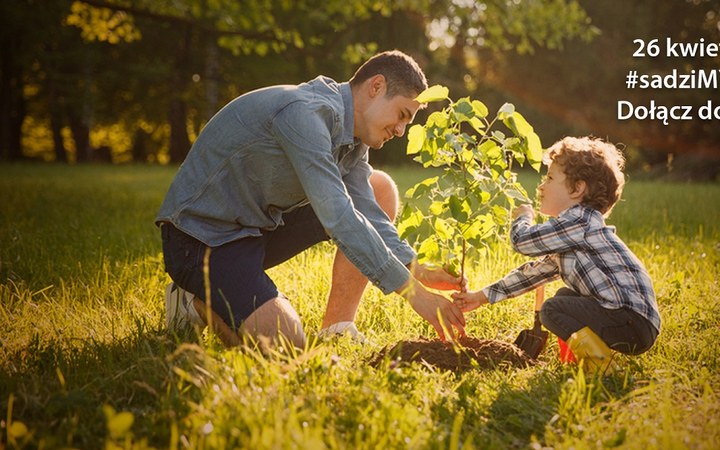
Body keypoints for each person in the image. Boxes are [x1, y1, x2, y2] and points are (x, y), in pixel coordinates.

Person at [156, 50, 467, 349]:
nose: (400, 130)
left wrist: (417, 269)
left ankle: (337, 328)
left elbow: (367, 211)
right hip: (201, 240)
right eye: (402, 115)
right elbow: (339, 216)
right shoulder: (305, 114)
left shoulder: (354, 139)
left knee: (378, 188)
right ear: (376, 86)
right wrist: (414, 294)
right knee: (286, 346)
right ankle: (192, 302)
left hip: (254, 229)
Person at [452, 136, 660, 371]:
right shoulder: (575, 231)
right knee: (564, 297)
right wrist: (481, 296)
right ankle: (578, 360)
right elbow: (534, 274)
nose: (541, 186)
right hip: (634, 322)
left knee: (551, 310)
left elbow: (522, 242)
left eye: (550, 178)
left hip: (629, 321)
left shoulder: (579, 221)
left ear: (577, 188)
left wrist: (523, 218)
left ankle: (602, 367)